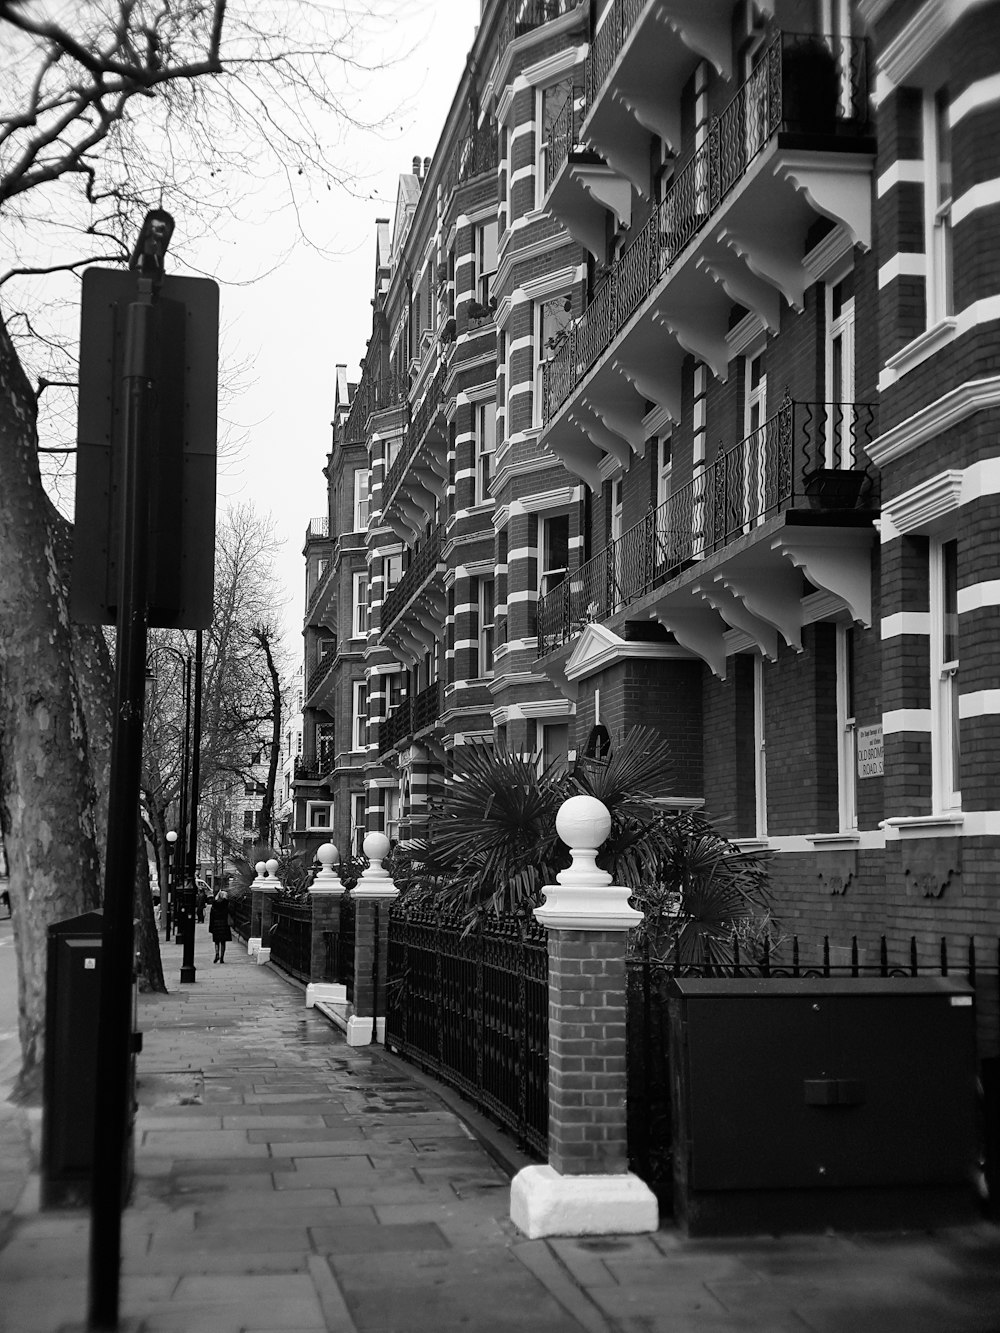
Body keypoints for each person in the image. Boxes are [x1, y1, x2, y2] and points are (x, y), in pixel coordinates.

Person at [208, 889, 232, 963]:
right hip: (224, 924)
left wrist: (210, 927)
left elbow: (211, 916)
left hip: (216, 924)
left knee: (216, 941)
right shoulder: (226, 904)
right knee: (223, 942)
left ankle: (217, 953)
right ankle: (222, 957)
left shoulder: (214, 904)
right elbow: (231, 912)